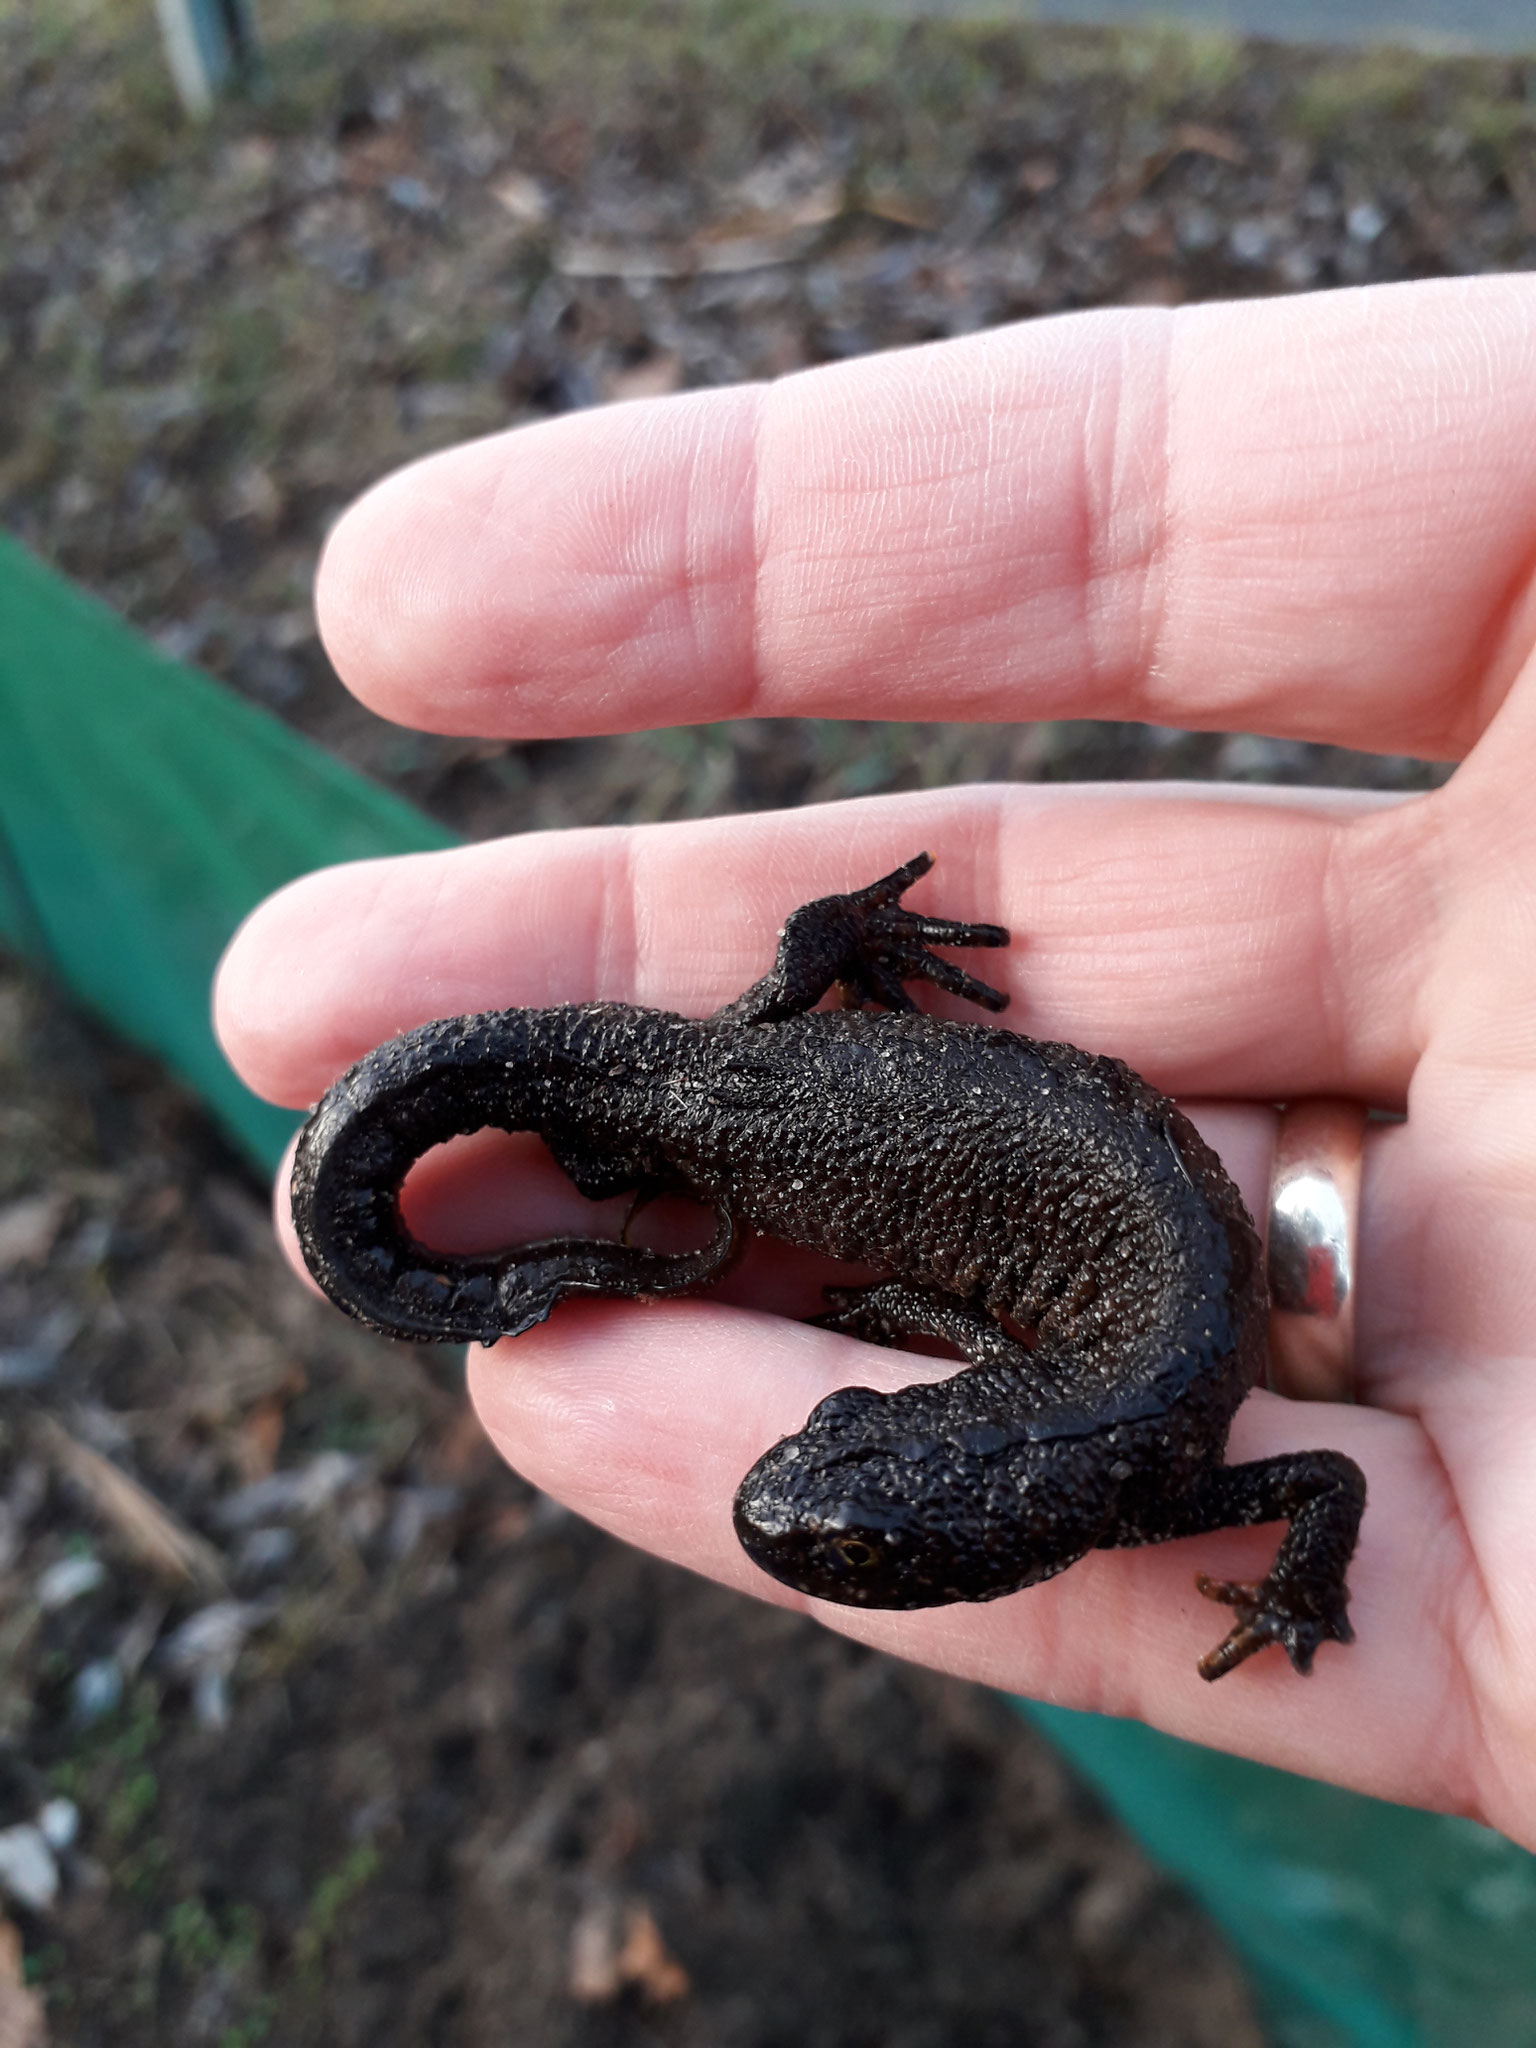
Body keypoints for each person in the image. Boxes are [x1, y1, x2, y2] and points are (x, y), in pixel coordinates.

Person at [215, 274, 1536, 1854]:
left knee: (716, 1121)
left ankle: (822, 957)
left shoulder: (1149, 1468)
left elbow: (1324, 1477)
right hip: (819, 1126)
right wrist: (887, 1310)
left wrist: (878, 1271)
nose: (802, 1494)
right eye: (853, 1466)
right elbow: (1313, 1482)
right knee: (705, 1126)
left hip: (828, 1108)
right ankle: (805, 970)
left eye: (849, 1456)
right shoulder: (1157, 1476)